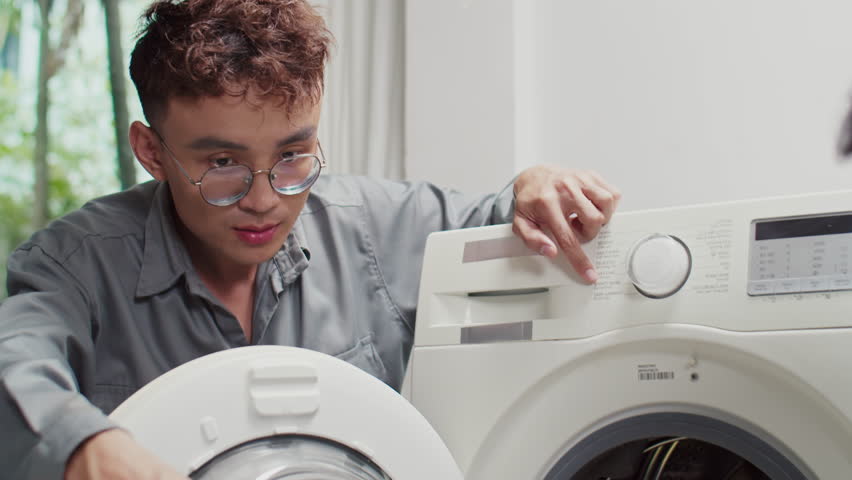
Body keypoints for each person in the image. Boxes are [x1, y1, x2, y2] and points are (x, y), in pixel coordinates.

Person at [0, 0, 620, 478]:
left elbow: (498, 219)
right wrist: (86, 446)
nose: (265, 198)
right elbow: (13, 363)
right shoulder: (76, 263)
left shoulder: (372, 226)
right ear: (151, 152)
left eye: (294, 154)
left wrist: (535, 187)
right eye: (222, 163)